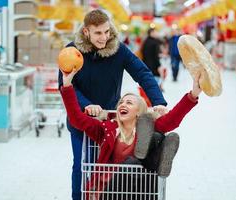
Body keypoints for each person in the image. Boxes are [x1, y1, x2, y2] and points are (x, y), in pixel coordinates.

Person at [58, 9, 168, 200]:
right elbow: (66, 85)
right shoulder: (71, 52)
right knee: (81, 164)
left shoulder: (118, 50)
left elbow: (142, 73)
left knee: (108, 166)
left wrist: (158, 101)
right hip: (79, 118)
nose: (104, 37)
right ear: (86, 32)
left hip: (108, 120)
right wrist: (87, 105)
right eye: (98, 33)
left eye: (107, 31)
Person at [60, 69, 202, 199]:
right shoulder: (106, 130)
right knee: (133, 162)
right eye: (121, 102)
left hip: (138, 191)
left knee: (153, 144)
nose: (123, 105)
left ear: (139, 113)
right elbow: (76, 119)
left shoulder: (147, 128)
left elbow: (172, 120)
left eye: (129, 103)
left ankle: (159, 155)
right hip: (108, 191)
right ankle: (155, 156)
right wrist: (67, 85)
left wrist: (193, 94)